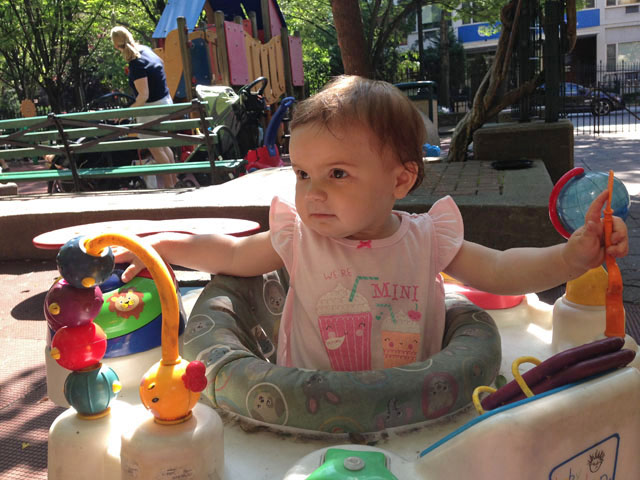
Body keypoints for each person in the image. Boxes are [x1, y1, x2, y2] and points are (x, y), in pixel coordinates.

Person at [115, 75, 629, 371]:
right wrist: (159, 244)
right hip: (308, 411)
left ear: (401, 181)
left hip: (414, 410)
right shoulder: (298, 237)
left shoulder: (428, 239)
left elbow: (500, 270)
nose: (312, 192)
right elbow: (228, 253)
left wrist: (567, 258)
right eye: (302, 173)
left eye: (337, 174)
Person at [110, 26, 177, 188]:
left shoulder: (136, 64)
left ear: (115, 45)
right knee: (162, 144)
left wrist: (126, 113)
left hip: (152, 107)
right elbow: (161, 64)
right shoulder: (145, 49)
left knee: (156, 148)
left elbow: (143, 95)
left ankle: (170, 187)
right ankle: (175, 182)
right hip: (165, 101)